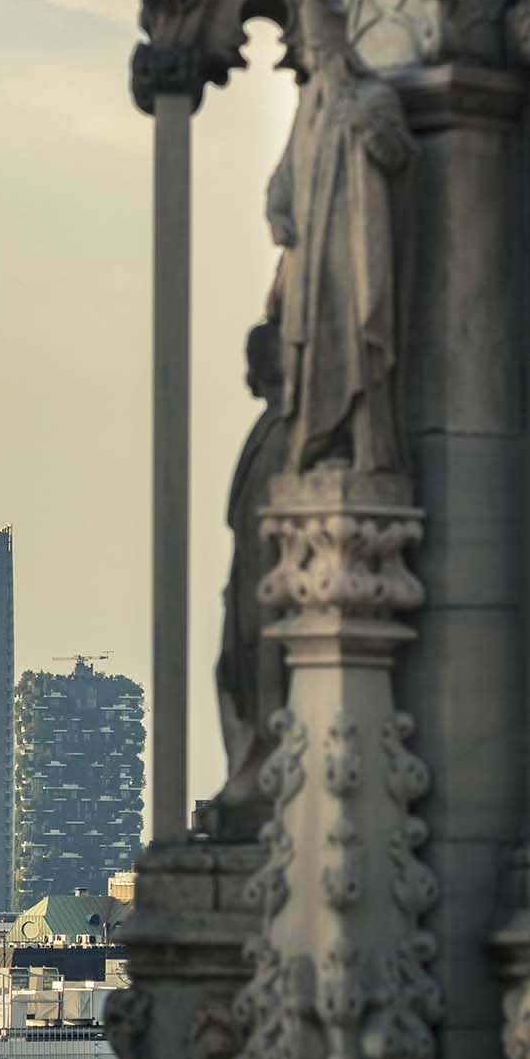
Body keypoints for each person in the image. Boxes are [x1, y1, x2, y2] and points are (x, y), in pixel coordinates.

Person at [264, 0, 416, 473]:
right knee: (308, 350)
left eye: (322, 51)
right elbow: (285, 172)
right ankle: (315, 444)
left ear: (342, 49)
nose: (314, 60)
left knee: (356, 338)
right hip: (309, 256)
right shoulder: (309, 104)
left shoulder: (374, 98)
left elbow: (402, 156)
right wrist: (277, 211)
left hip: (352, 249)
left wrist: (367, 130)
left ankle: (363, 447)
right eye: (311, 52)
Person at [211, 318, 289, 825]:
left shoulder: (288, 432)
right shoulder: (270, 430)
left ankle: (264, 761)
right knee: (231, 671)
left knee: (261, 674)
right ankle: (250, 763)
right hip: (247, 583)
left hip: (272, 587)